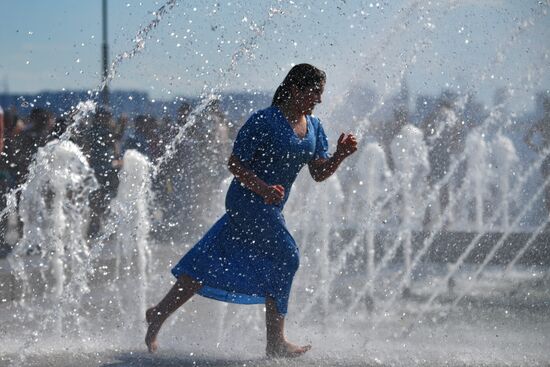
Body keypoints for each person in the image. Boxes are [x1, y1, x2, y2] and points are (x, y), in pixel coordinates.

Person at [145, 64, 358, 357]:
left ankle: (157, 313)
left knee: (204, 264)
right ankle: (276, 342)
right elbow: (235, 163)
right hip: (247, 201)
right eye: (314, 93)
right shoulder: (264, 121)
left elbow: (319, 173)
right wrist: (263, 189)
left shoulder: (315, 127)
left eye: (321, 94)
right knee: (287, 255)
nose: (319, 100)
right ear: (296, 89)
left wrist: (340, 156)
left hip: (271, 205)